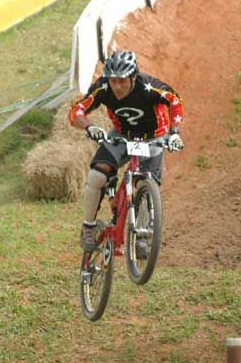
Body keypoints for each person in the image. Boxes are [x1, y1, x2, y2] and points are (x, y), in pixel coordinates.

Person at [68, 50, 184, 251]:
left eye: (122, 81)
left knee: (145, 182)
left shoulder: (148, 87)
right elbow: (76, 110)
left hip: (154, 137)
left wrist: (174, 133)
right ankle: (88, 228)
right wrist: (89, 126)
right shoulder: (103, 88)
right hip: (121, 136)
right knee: (97, 175)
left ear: (133, 77)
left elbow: (174, 101)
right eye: (113, 81)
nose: (117, 86)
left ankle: (142, 235)